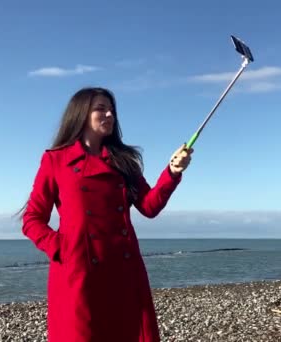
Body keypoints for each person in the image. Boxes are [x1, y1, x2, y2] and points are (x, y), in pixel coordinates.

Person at [20, 87, 193, 342]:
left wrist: (172, 172)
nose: (110, 114)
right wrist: (62, 247)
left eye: (111, 109)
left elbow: (149, 206)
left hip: (123, 271)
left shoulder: (123, 161)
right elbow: (32, 218)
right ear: (80, 114)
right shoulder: (56, 160)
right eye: (101, 108)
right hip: (78, 276)